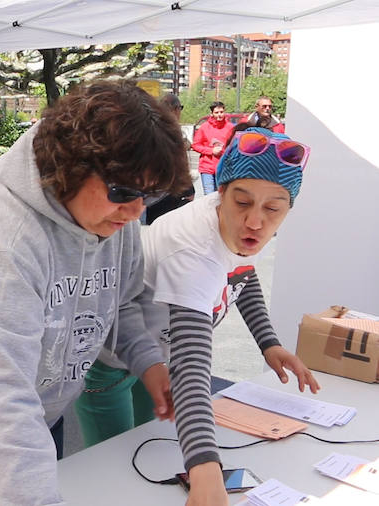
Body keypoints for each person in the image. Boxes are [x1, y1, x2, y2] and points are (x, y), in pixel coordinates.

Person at [0, 80, 191, 506]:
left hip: (39, 404)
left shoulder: (116, 213)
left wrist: (148, 362)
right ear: (70, 167)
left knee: (31, 479)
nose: (137, 210)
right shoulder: (1, 240)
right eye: (123, 193)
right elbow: (1, 394)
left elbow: (121, 300)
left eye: (150, 194)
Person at [75, 126, 320, 506]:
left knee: (149, 456)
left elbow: (242, 272)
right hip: (111, 360)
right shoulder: (192, 251)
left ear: (289, 208)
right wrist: (206, 468)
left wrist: (269, 343)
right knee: (109, 474)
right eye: (243, 203)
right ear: (220, 192)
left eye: (273, 208)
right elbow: (193, 364)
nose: (256, 222)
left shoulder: (235, 226)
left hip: (159, 359)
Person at [144, 93, 196, 224]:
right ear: (176, 109)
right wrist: (189, 189)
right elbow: (180, 165)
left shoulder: (148, 127)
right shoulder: (172, 131)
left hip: (152, 192)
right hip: (171, 191)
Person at [192, 101, 234, 195]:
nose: (219, 115)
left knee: (221, 196)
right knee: (209, 197)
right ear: (212, 114)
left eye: (221, 112)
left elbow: (234, 145)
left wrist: (224, 151)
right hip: (207, 167)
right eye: (216, 112)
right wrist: (211, 151)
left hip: (223, 167)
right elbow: (195, 145)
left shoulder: (230, 127)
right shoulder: (204, 127)